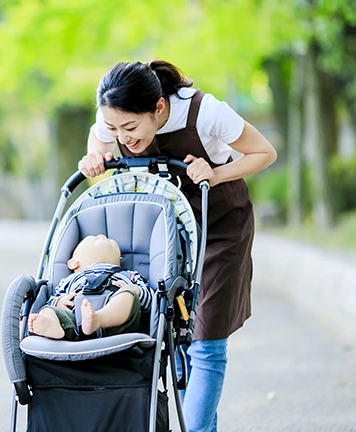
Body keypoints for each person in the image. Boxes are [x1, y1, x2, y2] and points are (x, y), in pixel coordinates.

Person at [78, 60, 277, 432]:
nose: (123, 138)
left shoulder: (205, 112)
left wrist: (216, 173)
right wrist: (95, 156)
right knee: (178, 341)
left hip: (219, 229)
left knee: (206, 341)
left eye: (131, 128)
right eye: (114, 128)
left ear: (158, 107)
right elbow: (100, 142)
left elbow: (264, 152)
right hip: (166, 235)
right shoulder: (114, 122)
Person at [28, 234, 153, 341]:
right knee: (47, 309)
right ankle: (54, 325)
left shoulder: (129, 274)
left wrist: (134, 290)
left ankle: (98, 319)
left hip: (117, 324)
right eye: (93, 238)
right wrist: (59, 302)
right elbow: (53, 298)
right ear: (74, 263)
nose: (101, 236)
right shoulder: (70, 279)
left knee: (129, 295)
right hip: (75, 320)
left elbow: (150, 299)